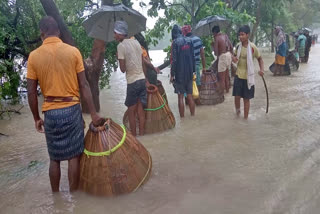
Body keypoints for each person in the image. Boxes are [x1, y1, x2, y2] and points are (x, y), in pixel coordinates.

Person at [27, 16, 103, 192]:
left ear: (42, 34)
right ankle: (75, 197)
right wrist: (93, 114)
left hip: (51, 113)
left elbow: (31, 92)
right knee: (74, 156)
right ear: (59, 33)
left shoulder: (33, 56)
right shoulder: (73, 52)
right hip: (71, 110)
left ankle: (56, 199)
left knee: (54, 158)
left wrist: (37, 118)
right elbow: (84, 85)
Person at [114, 21, 147, 136]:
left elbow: (123, 69)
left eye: (115, 33)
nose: (114, 36)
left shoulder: (121, 46)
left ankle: (134, 137)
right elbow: (142, 62)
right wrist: (146, 79)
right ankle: (142, 135)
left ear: (120, 33)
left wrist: (119, 58)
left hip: (133, 82)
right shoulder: (137, 42)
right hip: (142, 79)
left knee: (131, 112)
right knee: (140, 109)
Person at [232, 25, 265, 119]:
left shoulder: (253, 47)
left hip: (248, 77)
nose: (240, 37)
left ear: (248, 35)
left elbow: (260, 59)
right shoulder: (238, 46)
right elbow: (235, 58)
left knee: (246, 99)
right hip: (238, 75)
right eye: (239, 35)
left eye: (242, 35)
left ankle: (245, 118)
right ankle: (237, 114)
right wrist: (233, 58)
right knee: (237, 97)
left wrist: (261, 70)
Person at [170, 24, 196, 117]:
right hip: (189, 73)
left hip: (180, 74)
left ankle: (182, 119)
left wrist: (172, 74)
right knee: (189, 95)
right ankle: (193, 116)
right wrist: (193, 71)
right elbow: (193, 57)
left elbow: (174, 60)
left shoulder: (175, 43)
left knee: (180, 96)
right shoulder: (190, 40)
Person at [182, 25, 206, 89]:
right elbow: (202, 54)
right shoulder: (198, 39)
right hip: (196, 65)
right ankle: (198, 98)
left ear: (183, 32)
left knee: (187, 86)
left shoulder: (183, 41)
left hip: (186, 67)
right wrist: (204, 67)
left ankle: (189, 98)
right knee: (197, 84)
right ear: (190, 30)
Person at [212, 25, 233, 93]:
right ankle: (227, 90)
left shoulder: (217, 38)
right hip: (228, 55)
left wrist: (213, 45)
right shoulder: (225, 36)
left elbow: (215, 52)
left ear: (214, 32)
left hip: (223, 56)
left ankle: (221, 94)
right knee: (226, 75)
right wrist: (231, 56)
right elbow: (231, 47)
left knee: (221, 78)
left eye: (213, 33)